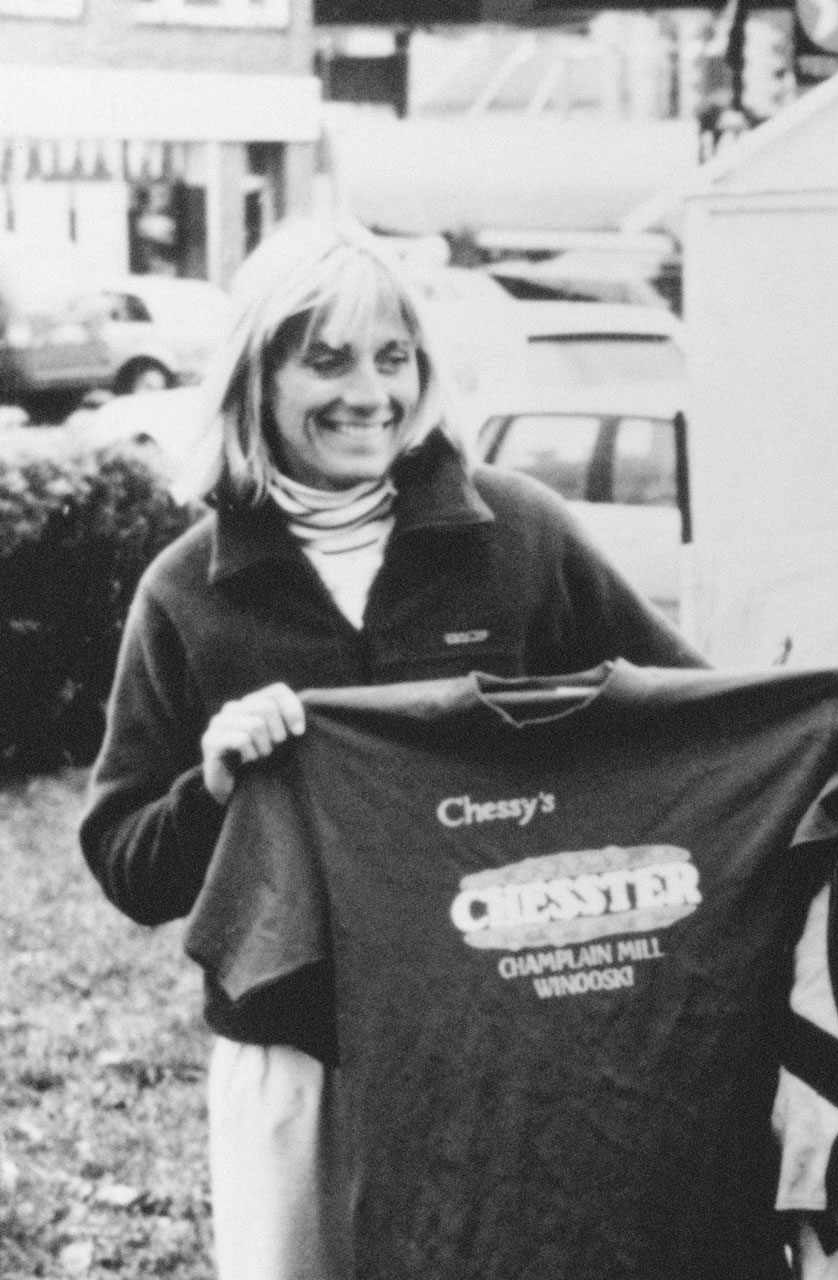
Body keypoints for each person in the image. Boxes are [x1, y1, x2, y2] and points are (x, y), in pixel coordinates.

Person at [76, 215, 706, 1276]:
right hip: (297, 1053)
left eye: (393, 356)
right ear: (256, 376)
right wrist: (214, 779)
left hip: (514, 1029)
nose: (369, 392)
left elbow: (691, 715)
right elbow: (127, 864)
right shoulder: (186, 592)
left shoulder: (521, 533)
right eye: (326, 360)